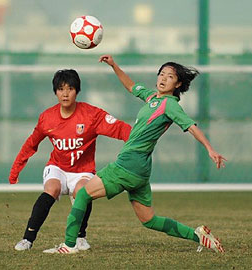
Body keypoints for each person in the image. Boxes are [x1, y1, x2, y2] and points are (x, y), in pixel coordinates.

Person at [43, 55, 227, 254]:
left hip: (129, 164)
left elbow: (191, 126)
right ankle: (198, 235)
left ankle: (69, 246)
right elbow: (131, 86)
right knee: (149, 220)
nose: (163, 78)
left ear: (178, 83)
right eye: (162, 74)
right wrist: (114, 65)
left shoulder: (170, 105)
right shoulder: (152, 98)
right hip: (141, 169)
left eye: (170, 76)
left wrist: (210, 149)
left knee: (82, 194)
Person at [10, 69, 131, 251]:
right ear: (55, 92)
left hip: (83, 170)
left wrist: (140, 142)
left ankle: (80, 237)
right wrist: (15, 170)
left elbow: (121, 129)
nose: (65, 93)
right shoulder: (47, 118)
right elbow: (31, 144)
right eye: (60, 89)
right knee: (52, 189)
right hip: (57, 167)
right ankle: (27, 239)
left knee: (82, 192)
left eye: (70, 88)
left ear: (77, 91)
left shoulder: (91, 115)